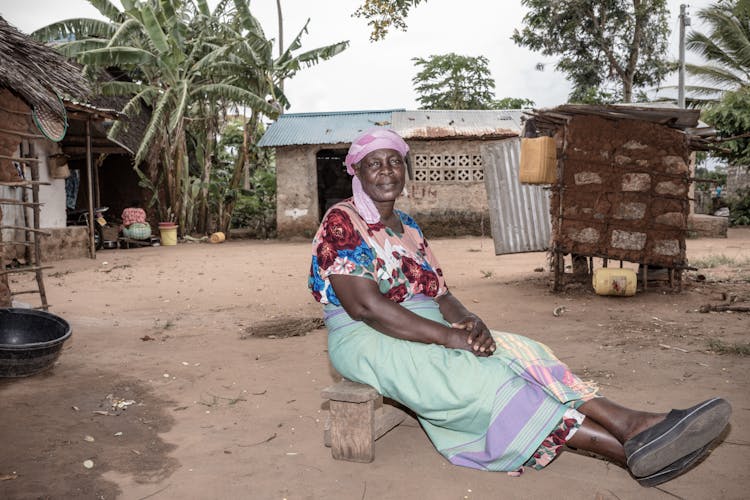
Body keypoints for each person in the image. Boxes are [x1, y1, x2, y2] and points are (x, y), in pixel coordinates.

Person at [308, 127, 731, 486]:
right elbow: (365, 307)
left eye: (394, 161)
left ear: (405, 168)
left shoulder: (410, 227)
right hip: (365, 336)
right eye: (374, 163)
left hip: (423, 323)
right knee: (475, 381)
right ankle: (627, 445)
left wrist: (471, 323)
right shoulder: (342, 220)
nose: (386, 171)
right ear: (357, 172)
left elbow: (440, 293)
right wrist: (448, 337)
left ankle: (631, 427)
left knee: (520, 352)